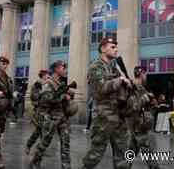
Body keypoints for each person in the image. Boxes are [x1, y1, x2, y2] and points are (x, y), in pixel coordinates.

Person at [80, 37, 131, 169]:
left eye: (116, 47)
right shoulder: (95, 67)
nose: (116, 49)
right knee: (96, 153)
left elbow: (121, 87)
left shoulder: (113, 68)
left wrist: (128, 85)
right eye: (112, 47)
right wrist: (120, 81)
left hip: (118, 115)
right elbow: (99, 90)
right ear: (103, 49)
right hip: (104, 116)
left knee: (122, 152)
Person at [29, 61, 73, 169]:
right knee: (45, 141)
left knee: (65, 141)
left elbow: (65, 98)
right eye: (63, 67)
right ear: (56, 69)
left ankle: (66, 165)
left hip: (62, 116)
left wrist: (69, 96)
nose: (64, 70)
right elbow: (46, 99)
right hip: (51, 116)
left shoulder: (61, 84)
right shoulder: (48, 83)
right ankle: (35, 161)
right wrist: (63, 96)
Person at [126, 66, 160, 169]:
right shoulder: (129, 88)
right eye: (145, 74)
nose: (146, 76)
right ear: (141, 73)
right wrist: (144, 99)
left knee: (130, 153)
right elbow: (131, 108)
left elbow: (148, 107)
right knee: (150, 155)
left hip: (140, 126)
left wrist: (153, 103)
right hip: (137, 126)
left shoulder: (143, 89)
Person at [25, 69, 50, 155]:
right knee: (39, 131)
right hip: (39, 111)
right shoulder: (37, 84)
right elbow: (33, 97)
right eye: (47, 74)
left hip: (47, 111)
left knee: (44, 130)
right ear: (43, 75)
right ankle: (29, 145)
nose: (48, 76)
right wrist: (42, 92)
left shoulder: (48, 84)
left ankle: (41, 149)